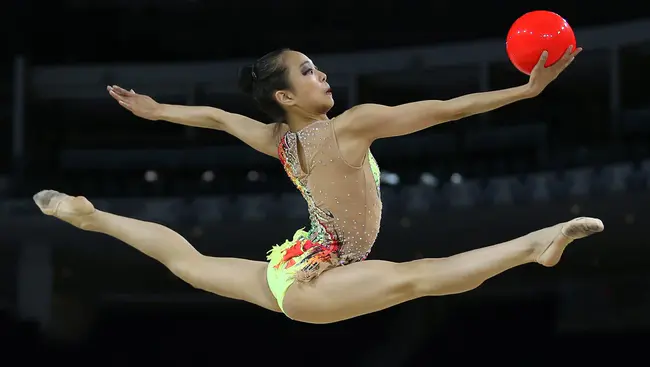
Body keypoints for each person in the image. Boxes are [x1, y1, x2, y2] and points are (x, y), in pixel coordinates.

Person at [34, 46, 603, 324]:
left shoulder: (276, 139)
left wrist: (158, 112)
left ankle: (90, 217)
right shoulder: (351, 128)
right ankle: (535, 244)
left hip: (298, 263)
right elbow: (445, 109)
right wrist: (523, 94)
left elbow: (213, 116)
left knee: (187, 262)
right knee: (417, 279)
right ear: (284, 96)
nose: (322, 74)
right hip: (315, 282)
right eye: (307, 71)